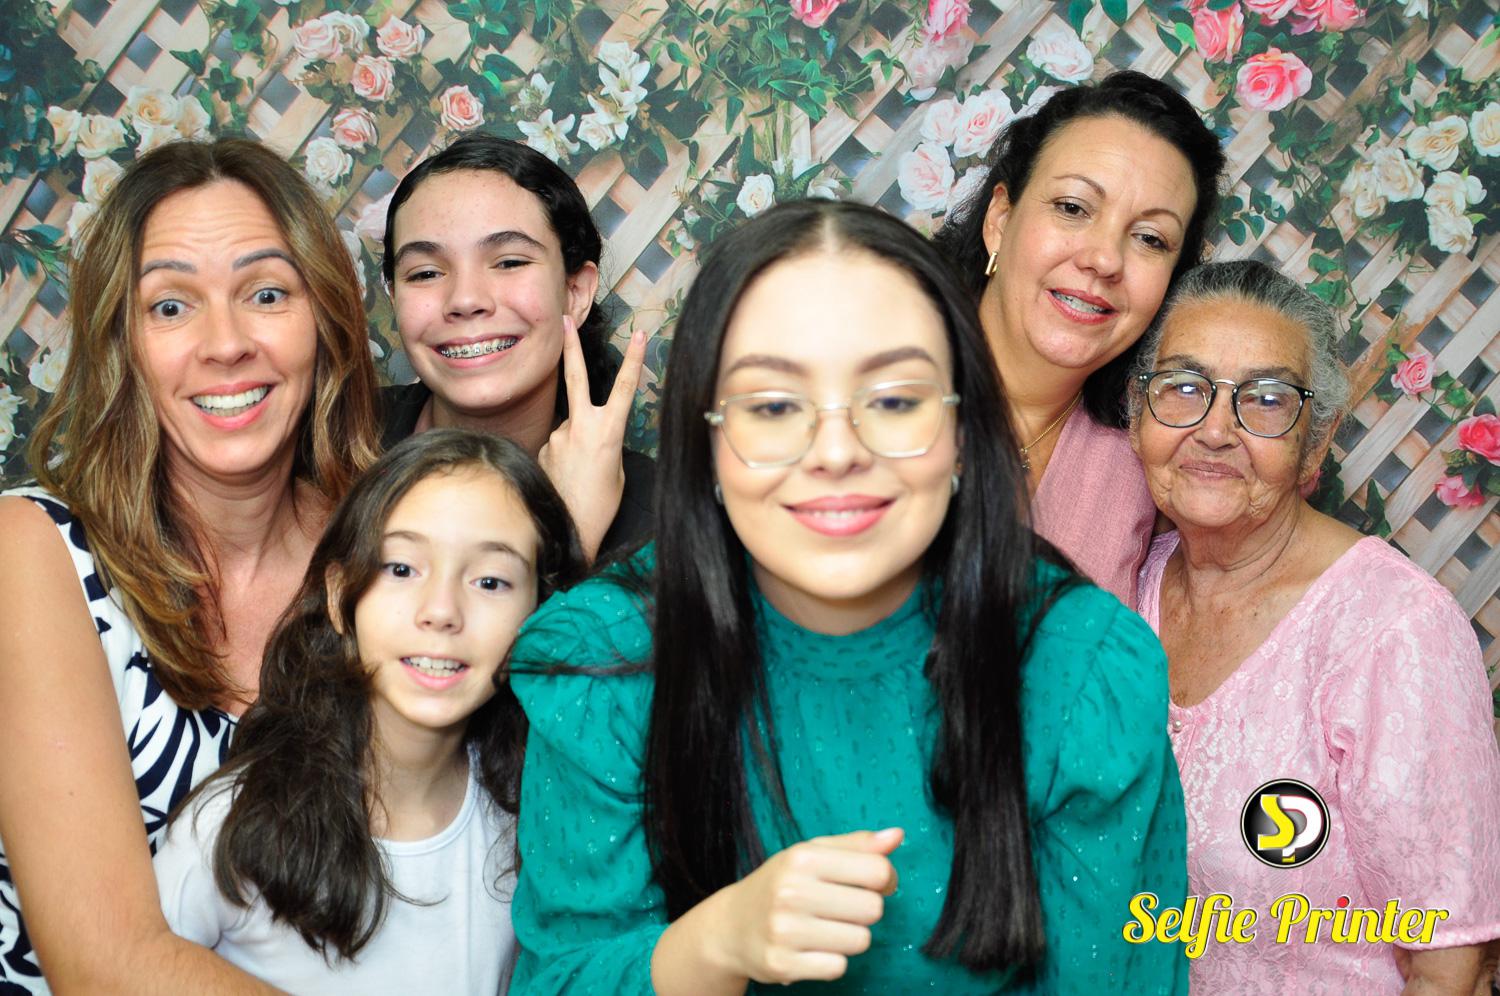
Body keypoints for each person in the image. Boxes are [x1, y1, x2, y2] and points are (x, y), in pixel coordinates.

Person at [506, 200, 1187, 993]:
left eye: (894, 401)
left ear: (962, 432)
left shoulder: (1082, 669)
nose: (836, 452)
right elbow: (563, 974)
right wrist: (713, 945)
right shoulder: (604, 660)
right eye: (772, 406)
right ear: (709, 440)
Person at [0, 139, 382, 992]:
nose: (226, 344)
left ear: (325, 319)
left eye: (267, 294)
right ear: (122, 344)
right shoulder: (32, 550)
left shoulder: (383, 553)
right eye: (171, 306)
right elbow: (103, 965)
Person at [1128, 260, 1500, 992]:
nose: (1215, 430)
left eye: (1267, 400)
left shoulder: (1397, 632)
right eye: (1184, 387)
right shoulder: (1126, 576)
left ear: (1316, 441)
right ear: (1137, 414)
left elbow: (1445, 964)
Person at [152, 429, 584, 993]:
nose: (441, 611)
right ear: (339, 597)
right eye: (402, 569)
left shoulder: (530, 822)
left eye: (490, 580)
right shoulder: (232, 826)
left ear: (539, 615)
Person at [934, 71, 1226, 608]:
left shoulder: (1152, 458)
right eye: (1072, 208)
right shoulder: (860, 366)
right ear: (1000, 220)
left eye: (1150, 239)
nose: (1105, 259)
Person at [380, 134, 650, 561]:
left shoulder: (658, 522)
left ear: (575, 292)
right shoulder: (328, 447)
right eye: (426, 273)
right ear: (396, 298)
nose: (465, 299)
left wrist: (570, 528)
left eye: (509, 262)